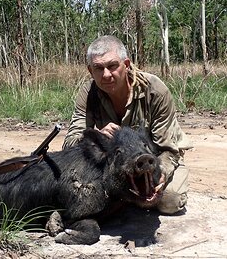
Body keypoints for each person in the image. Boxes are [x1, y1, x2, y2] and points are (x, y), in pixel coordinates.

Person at [63, 35, 193, 215]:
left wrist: (159, 173)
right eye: (98, 68)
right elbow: (70, 143)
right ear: (90, 71)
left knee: (170, 200)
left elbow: (169, 150)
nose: (106, 74)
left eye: (112, 66)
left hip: (152, 163)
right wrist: (97, 134)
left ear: (126, 64)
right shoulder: (88, 93)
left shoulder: (154, 90)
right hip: (115, 167)